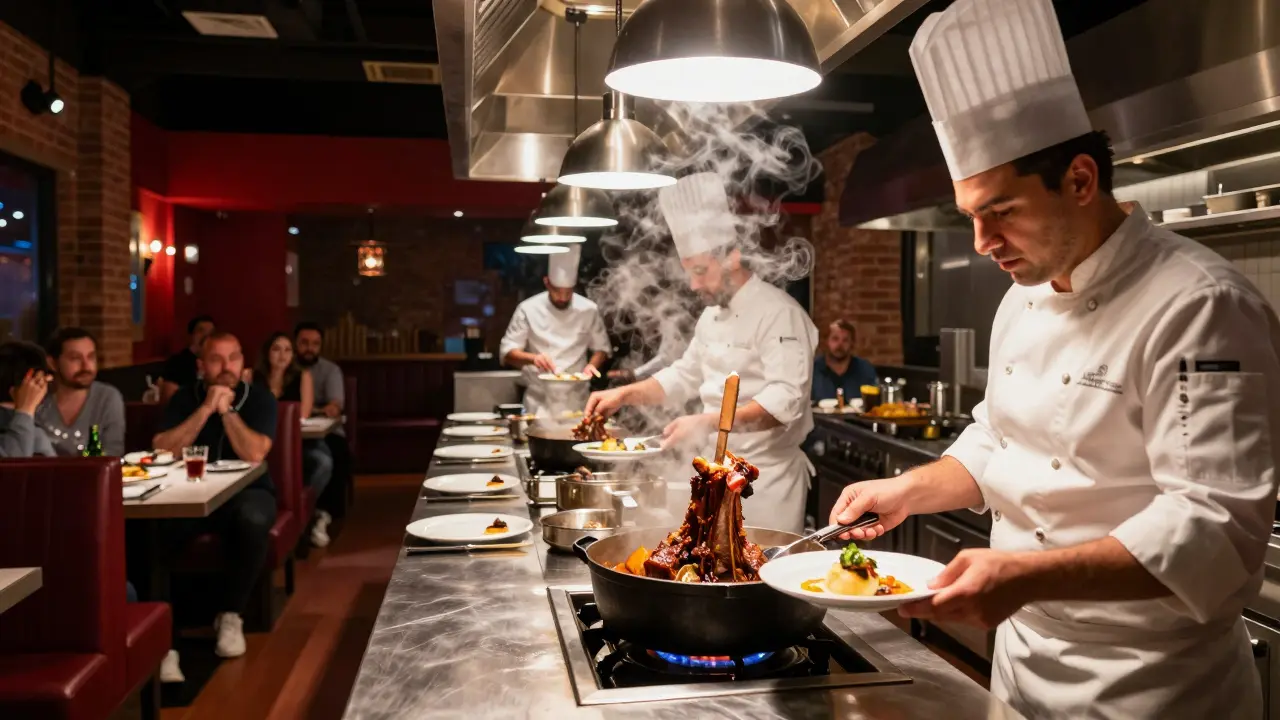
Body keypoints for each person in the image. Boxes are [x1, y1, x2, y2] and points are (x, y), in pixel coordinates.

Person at [829, 0, 1279, 716]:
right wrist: (908, 492)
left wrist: (1026, 574)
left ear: (1078, 180)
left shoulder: (1199, 304)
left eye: (999, 212)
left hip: (1153, 687)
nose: (980, 242)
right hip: (1021, 671)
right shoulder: (1023, 297)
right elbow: (998, 439)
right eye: (969, 215)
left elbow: (1212, 530)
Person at [585, 172, 817, 533]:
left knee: (758, 581)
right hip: (718, 472)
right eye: (688, 273)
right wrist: (625, 394)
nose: (693, 285)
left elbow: (784, 403)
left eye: (700, 271)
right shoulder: (711, 316)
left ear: (732, 258)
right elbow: (684, 374)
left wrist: (707, 421)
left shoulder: (779, 313)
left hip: (767, 485)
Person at [152, 331, 277, 682]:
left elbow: (255, 453)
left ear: (243, 363)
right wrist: (205, 408)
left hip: (248, 492)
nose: (226, 367)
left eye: (233, 358)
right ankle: (166, 643)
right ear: (201, 366)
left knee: (253, 520)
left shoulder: (260, 400)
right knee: (150, 528)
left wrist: (226, 413)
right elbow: (162, 448)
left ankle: (231, 615)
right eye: (216, 359)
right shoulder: (182, 399)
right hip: (187, 494)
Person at [500, 245, 611, 416]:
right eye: (557, 291)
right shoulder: (528, 308)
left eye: (568, 292)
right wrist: (534, 358)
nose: (563, 297)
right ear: (546, 282)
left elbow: (601, 349)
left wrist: (591, 366)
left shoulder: (589, 309)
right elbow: (508, 353)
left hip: (578, 400)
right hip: (539, 402)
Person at [254, 331, 334, 547]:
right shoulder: (253, 378)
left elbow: (303, 414)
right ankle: (306, 515)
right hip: (261, 441)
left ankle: (302, 511)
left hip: (296, 442)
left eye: (288, 350)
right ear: (266, 353)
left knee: (322, 461)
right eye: (276, 349)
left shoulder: (302, 376)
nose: (282, 355)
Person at [37, 327, 126, 457]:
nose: (86, 366)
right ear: (52, 363)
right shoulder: (38, 398)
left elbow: (113, 453)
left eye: (91, 357)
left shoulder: (107, 397)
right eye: (75, 358)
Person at [295, 322, 348, 529]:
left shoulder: (330, 370)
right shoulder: (286, 369)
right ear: (296, 343)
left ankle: (324, 512)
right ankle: (307, 513)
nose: (310, 348)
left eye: (315, 344)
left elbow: (334, 407)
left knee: (336, 454)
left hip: (327, 432)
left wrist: (307, 409)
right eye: (305, 343)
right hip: (292, 435)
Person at [0, 341, 54, 457]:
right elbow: (13, 469)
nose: (48, 380)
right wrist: (25, 410)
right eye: (42, 378)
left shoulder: (35, 431)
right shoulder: (25, 423)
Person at [811, 319, 877, 403]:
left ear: (852, 343)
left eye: (845, 340)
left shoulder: (864, 369)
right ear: (826, 342)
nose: (840, 345)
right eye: (835, 339)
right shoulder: (813, 369)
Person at [160, 315, 215, 403]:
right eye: (201, 331)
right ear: (191, 335)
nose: (206, 335)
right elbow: (169, 399)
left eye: (211, 332)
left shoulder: (216, 362)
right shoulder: (177, 362)